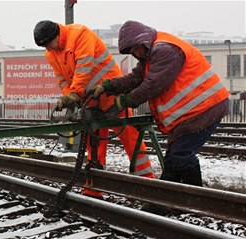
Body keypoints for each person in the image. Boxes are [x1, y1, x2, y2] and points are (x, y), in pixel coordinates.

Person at [91, 20, 229, 188]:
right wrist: (109, 86)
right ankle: (166, 199)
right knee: (174, 158)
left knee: (181, 156)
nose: (134, 53)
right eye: (131, 51)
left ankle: (195, 200)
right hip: (192, 113)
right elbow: (135, 78)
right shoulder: (151, 55)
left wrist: (125, 101)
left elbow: (153, 85)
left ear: (142, 41)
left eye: (134, 48)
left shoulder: (165, 50)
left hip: (206, 107)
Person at [33, 20, 155, 198]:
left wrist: (74, 93)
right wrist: (70, 97)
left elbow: (84, 67)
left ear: (56, 34)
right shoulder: (51, 53)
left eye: (49, 44)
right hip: (90, 101)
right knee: (94, 145)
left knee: (130, 137)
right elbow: (62, 78)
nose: (49, 49)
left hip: (110, 93)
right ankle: (94, 187)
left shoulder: (80, 35)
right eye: (45, 47)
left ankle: (148, 182)